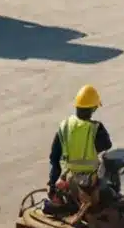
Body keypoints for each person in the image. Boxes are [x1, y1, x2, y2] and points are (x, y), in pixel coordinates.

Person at [47, 85, 115, 215]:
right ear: (93, 108)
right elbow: (107, 145)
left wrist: (52, 187)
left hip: (70, 180)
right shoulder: (96, 128)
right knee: (110, 185)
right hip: (90, 184)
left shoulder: (65, 126)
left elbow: (54, 158)